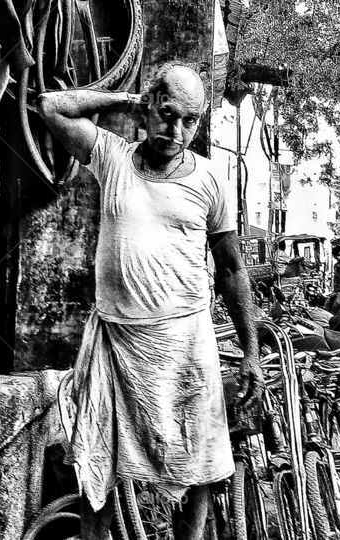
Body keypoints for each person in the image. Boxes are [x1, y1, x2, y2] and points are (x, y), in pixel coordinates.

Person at [37, 63, 261, 540]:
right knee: (98, 461)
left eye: (189, 120)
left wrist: (252, 353)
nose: (175, 130)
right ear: (149, 107)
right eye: (166, 113)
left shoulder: (211, 181)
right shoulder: (112, 156)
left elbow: (231, 269)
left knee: (196, 462)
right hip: (116, 342)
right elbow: (50, 107)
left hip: (184, 343)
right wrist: (125, 100)